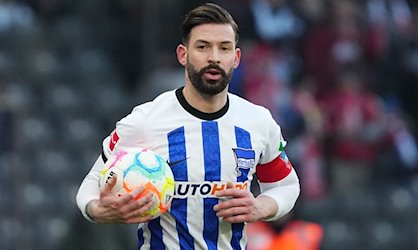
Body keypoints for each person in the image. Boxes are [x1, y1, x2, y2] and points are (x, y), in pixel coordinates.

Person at [76, 3, 300, 249]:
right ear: (183, 55)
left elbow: (285, 185)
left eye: (224, 48)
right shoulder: (146, 120)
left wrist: (262, 207)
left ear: (235, 58)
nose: (214, 57)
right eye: (203, 47)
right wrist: (97, 210)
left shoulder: (258, 121)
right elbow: (93, 180)